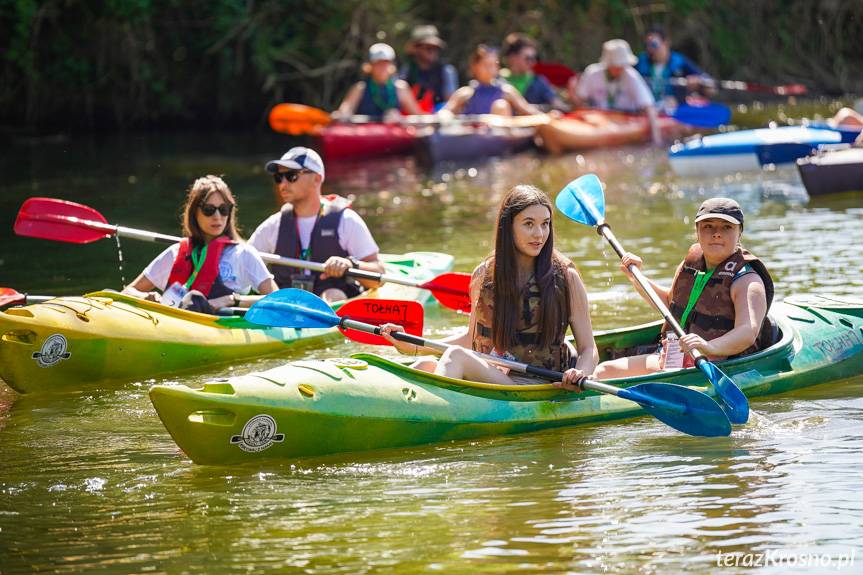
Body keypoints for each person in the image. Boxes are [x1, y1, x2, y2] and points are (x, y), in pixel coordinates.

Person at [380, 185, 598, 390]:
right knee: (424, 365)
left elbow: (589, 348)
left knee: (455, 357)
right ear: (508, 226)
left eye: (545, 223)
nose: (539, 234)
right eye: (529, 224)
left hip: (536, 385)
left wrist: (579, 374)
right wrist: (413, 345)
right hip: (496, 375)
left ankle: (431, 418)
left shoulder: (566, 278)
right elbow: (470, 340)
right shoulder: (484, 275)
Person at [593, 198, 774, 380]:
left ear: (739, 232)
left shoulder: (748, 280)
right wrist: (636, 278)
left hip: (719, 366)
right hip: (673, 356)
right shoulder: (691, 265)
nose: (717, 233)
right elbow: (668, 305)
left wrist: (709, 347)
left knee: (656, 379)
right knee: (603, 371)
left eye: (727, 227)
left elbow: (747, 332)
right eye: (708, 226)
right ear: (697, 231)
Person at [123, 175, 277, 313]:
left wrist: (233, 300)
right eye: (209, 210)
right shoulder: (175, 252)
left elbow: (278, 300)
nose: (217, 217)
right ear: (194, 213)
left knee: (195, 298)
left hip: (223, 330)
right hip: (176, 327)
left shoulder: (243, 254)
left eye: (223, 209)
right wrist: (145, 296)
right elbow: (128, 291)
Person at [248, 147, 385, 303]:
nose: (283, 184)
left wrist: (350, 264)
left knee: (332, 294)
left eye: (291, 176)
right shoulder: (274, 225)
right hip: (287, 307)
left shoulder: (346, 221)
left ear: (317, 179)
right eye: (279, 177)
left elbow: (379, 275)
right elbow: (244, 262)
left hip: (333, 303)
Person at [568, 39, 661, 143]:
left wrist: (656, 138)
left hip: (627, 118)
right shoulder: (592, 73)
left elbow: (649, 107)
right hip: (598, 118)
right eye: (616, 65)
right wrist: (572, 94)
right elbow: (580, 102)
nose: (620, 68)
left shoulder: (631, 76)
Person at [441, 44, 543, 117]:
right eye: (486, 65)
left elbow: (528, 110)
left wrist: (547, 116)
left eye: (494, 65)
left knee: (500, 106)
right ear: (474, 67)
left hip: (499, 138)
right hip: (475, 138)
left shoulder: (506, 91)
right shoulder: (466, 93)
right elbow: (446, 111)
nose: (491, 69)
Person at [335, 43, 422, 121]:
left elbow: (419, 117)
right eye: (378, 63)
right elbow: (345, 110)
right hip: (365, 135)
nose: (382, 67)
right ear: (370, 66)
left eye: (385, 63)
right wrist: (343, 114)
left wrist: (401, 119)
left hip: (393, 136)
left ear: (391, 65)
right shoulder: (360, 88)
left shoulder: (401, 88)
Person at [635, 27, 714, 107]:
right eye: (647, 45)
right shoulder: (641, 62)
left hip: (675, 111)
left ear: (666, 43)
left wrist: (698, 81)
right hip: (646, 110)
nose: (650, 49)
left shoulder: (679, 61)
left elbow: (710, 88)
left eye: (654, 44)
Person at [398, 25, 459, 113]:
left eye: (435, 48)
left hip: (439, 118)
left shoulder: (446, 70)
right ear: (416, 49)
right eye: (428, 48)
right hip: (411, 119)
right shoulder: (407, 70)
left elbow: (451, 102)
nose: (432, 52)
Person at [500, 33, 567, 110]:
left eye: (534, 58)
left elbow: (558, 104)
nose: (533, 62)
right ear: (512, 57)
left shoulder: (538, 81)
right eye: (528, 58)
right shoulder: (498, 80)